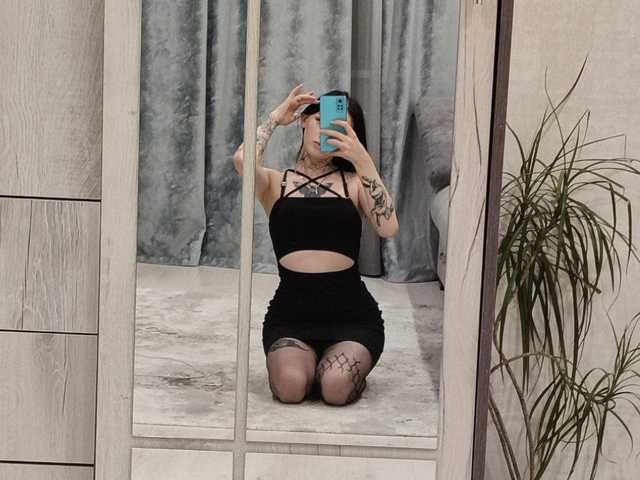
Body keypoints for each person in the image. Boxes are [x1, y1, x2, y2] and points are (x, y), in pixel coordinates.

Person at [232, 84, 399, 406]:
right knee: (290, 388)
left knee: (335, 389)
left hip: (352, 317)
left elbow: (388, 227)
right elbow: (242, 160)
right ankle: (310, 365)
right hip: (291, 316)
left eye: (340, 126)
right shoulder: (275, 183)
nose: (326, 130)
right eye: (320, 120)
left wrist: (362, 159)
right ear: (304, 121)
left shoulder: (355, 184)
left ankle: (334, 370)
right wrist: (275, 118)